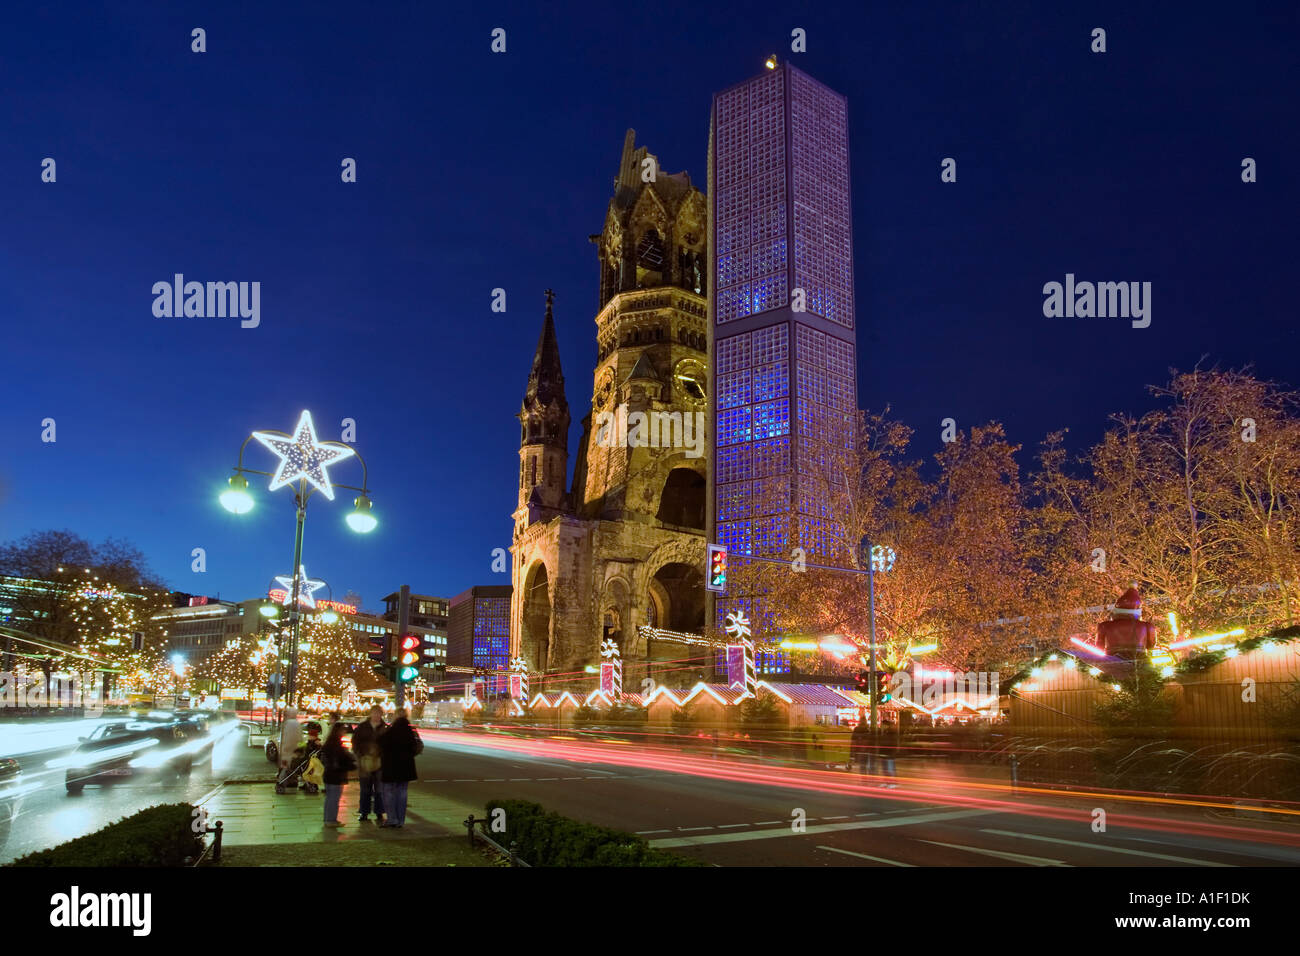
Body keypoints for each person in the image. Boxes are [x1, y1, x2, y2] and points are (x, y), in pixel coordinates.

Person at [378, 709, 422, 828]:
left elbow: (381, 744)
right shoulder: (411, 730)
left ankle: (392, 818)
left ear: (396, 716)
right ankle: (400, 820)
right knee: (402, 792)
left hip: (391, 766)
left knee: (388, 792)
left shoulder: (391, 729)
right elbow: (417, 746)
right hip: (406, 766)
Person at [350, 705, 387, 823]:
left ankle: (379, 812)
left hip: (379, 762)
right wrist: (360, 755)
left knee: (379, 789)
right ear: (370, 714)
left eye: (379, 713)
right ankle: (364, 812)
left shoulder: (385, 728)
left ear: (381, 715)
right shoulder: (362, 727)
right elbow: (355, 742)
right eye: (374, 713)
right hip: (365, 762)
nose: (376, 716)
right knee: (365, 789)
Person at [321, 722, 357, 827]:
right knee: (334, 798)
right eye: (343, 730)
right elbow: (341, 761)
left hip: (329, 774)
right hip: (335, 775)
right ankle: (331, 820)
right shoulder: (336, 745)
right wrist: (352, 764)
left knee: (329, 798)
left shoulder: (329, 744)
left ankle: (328, 819)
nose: (344, 732)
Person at [276, 705, 303, 792]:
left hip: (287, 751)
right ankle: (292, 782)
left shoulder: (289, 723)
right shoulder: (296, 723)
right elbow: (300, 738)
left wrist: (285, 749)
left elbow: (287, 738)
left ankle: (281, 784)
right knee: (292, 768)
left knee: (285, 768)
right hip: (294, 751)